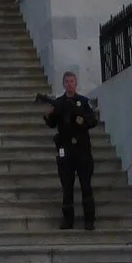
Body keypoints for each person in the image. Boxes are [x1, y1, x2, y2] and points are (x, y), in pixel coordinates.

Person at [42, 69, 100, 230]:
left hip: (82, 149)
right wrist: (48, 115)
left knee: (86, 185)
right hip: (65, 149)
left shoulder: (83, 101)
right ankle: (68, 220)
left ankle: (89, 220)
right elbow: (52, 124)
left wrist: (81, 118)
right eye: (66, 82)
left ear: (76, 83)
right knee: (67, 187)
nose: (69, 84)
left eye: (72, 81)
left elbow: (92, 121)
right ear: (63, 84)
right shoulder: (59, 103)